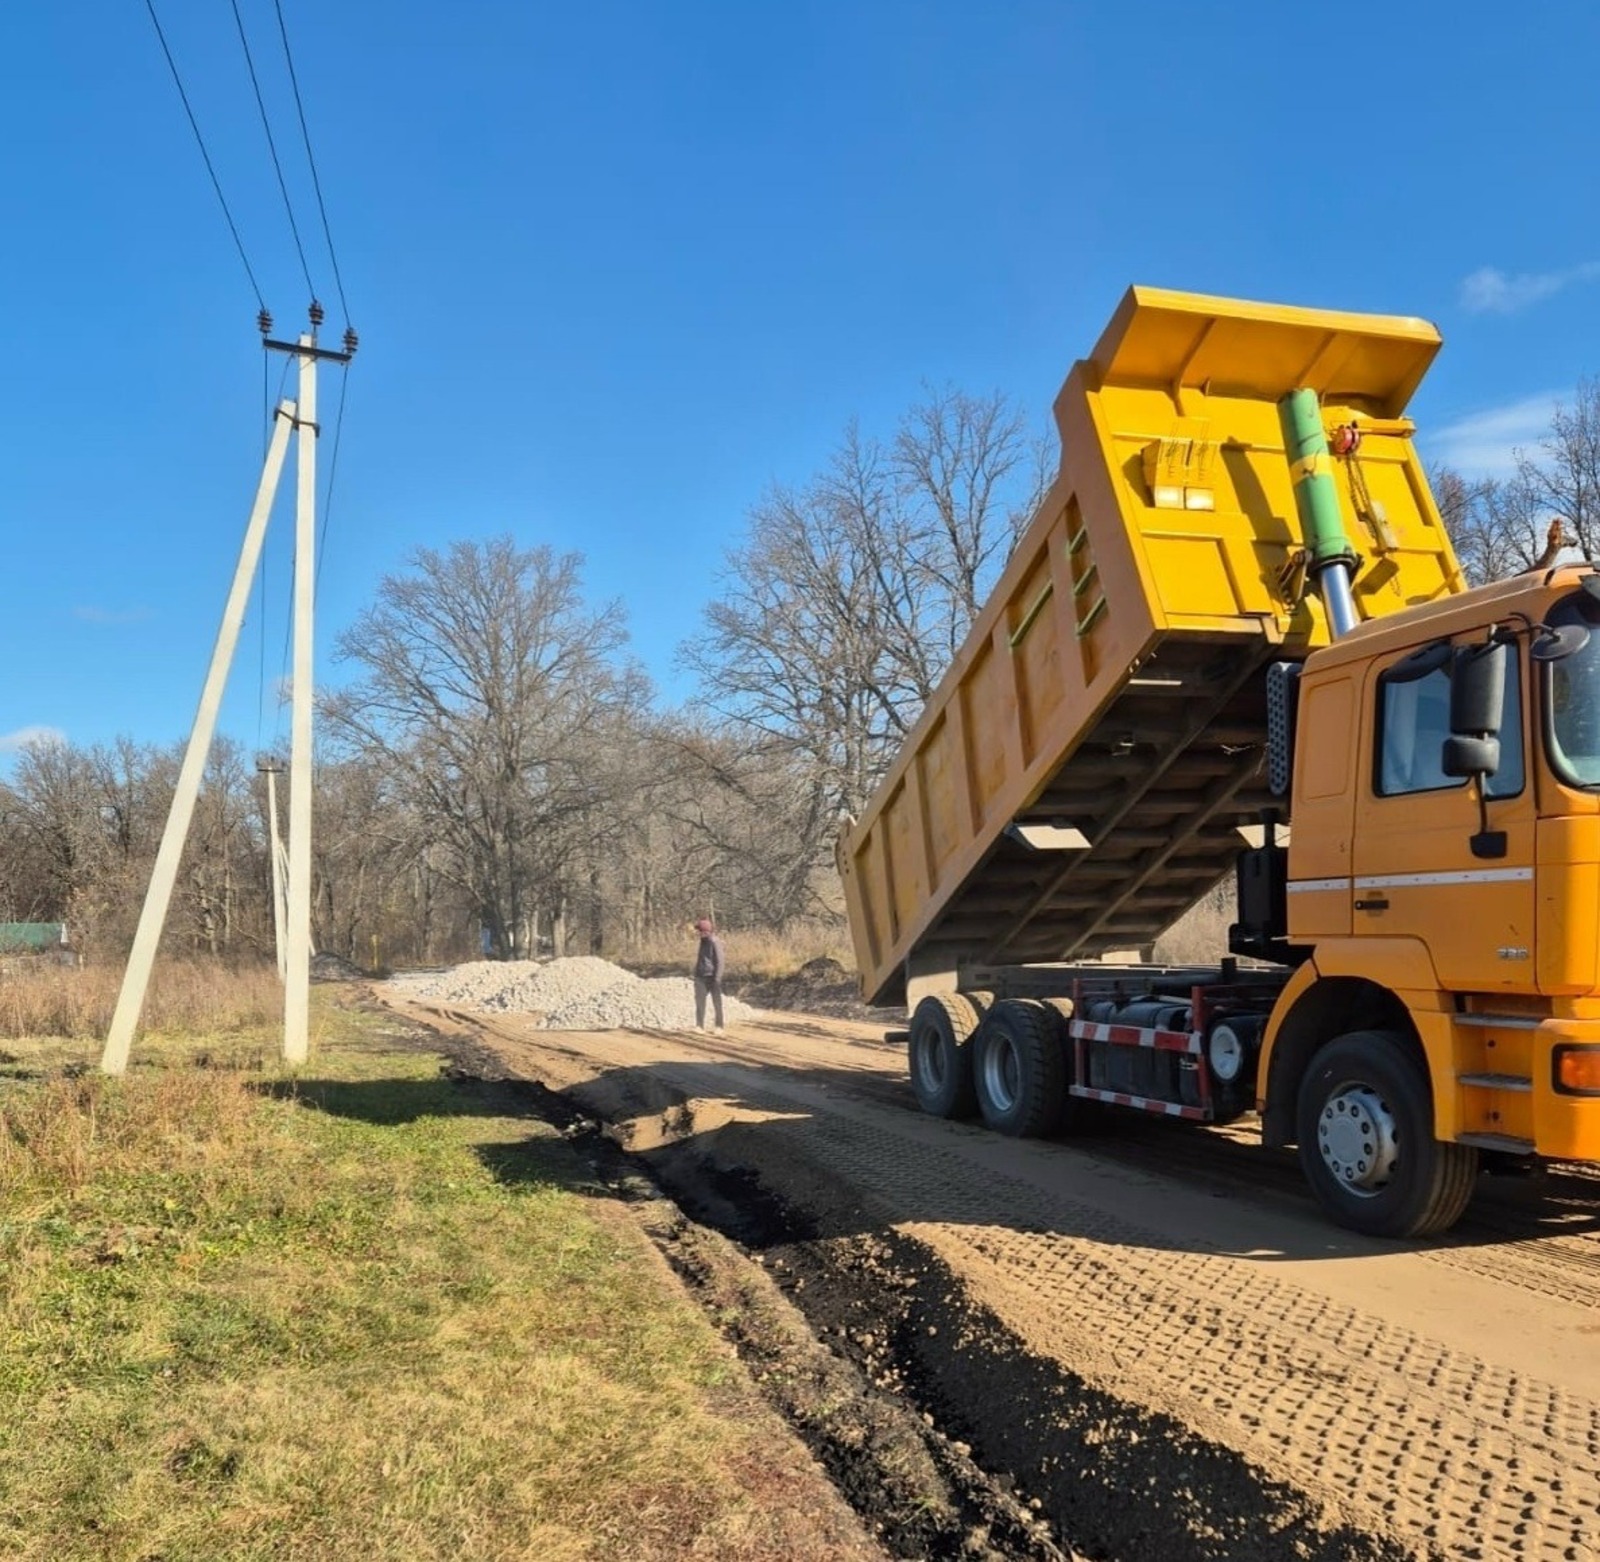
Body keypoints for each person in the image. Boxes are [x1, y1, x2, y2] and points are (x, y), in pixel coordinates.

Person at [691, 917, 725, 1032]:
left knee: (717, 1002)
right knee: (700, 1002)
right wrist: (696, 973)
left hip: (712, 976)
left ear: (705, 931)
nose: (697, 933)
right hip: (701, 975)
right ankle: (699, 1025)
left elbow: (720, 961)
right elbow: (701, 959)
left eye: (699, 931)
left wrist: (717, 977)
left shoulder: (715, 942)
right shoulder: (702, 942)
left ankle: (719, 1026)